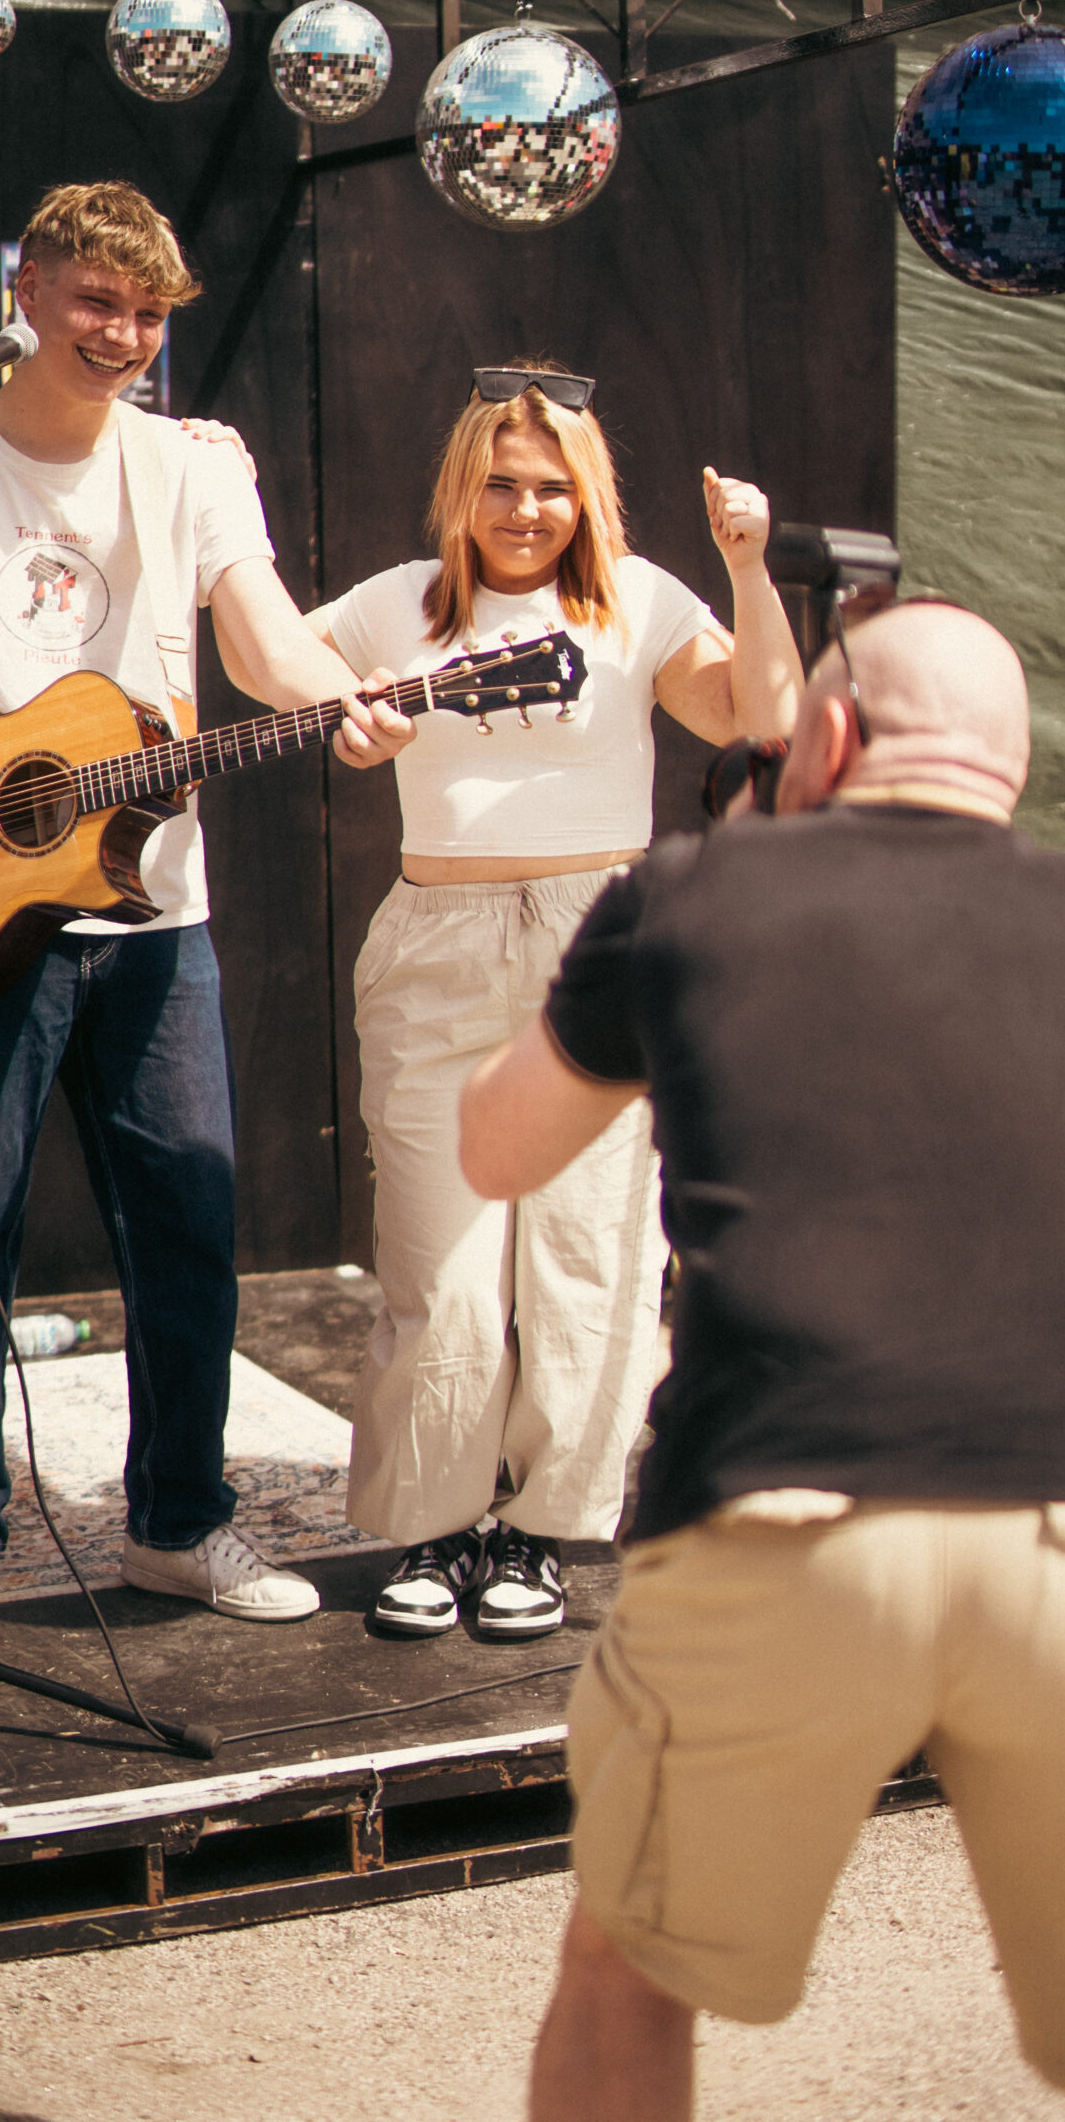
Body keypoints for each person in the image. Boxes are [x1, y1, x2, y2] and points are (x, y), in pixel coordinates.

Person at [459, 599, 1065, 2116]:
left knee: (624, 1970)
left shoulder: (692, 891)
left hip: (781, 1510)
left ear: (822, 738)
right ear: (1010, 775)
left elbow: (497, 1147)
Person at [0, 180, 410, 1639]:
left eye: (145, 313)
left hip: (150, 919)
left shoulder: (189, 467)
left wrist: (343, 705)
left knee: (187, 1223)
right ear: (28, 291)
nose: (121, 334)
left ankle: (179, 1527)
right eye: (94, 303)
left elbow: (260, 639)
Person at [307, 366, 801, 1640]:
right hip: (436, 948)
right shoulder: (395, 604)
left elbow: (767, 714)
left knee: (592, 1258)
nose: (528, 510)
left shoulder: (638, 600)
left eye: (553, 489)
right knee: (444, 1268)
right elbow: (271, 661)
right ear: (463, 488)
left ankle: (540, 1531)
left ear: (590, 499)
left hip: (598, 941)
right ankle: (438, 1523)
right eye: (503, 485)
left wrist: (748, 565)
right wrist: (338, 716)